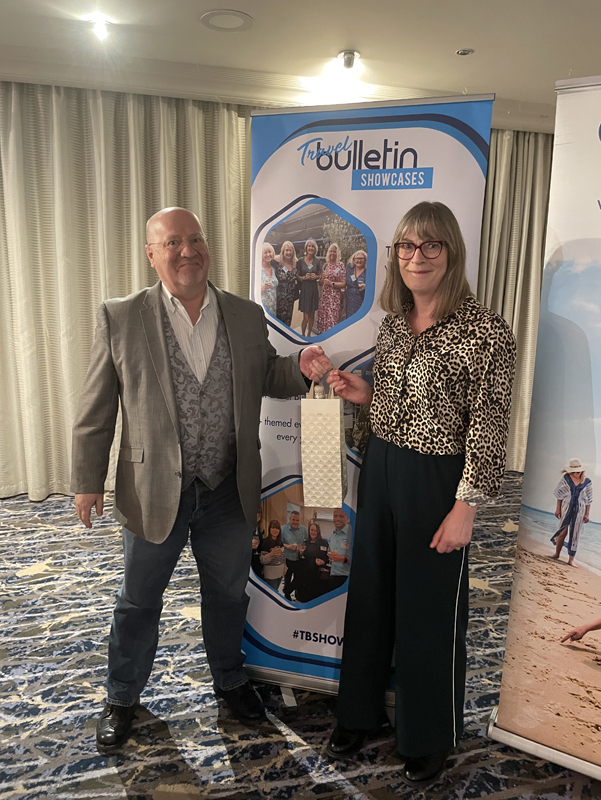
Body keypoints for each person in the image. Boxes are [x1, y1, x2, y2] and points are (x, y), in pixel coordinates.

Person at [71, 207, 333, 749]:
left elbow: (267, 374)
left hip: (227, 488)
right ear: (152, 254)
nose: (186, 250)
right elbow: (97, 406)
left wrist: (300, 367)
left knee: (228, 595)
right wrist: (87, 479)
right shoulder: (121, 316)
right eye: (172, 243)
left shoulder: (244, 314)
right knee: (138, 600)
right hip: (153, 490)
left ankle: (230, 680)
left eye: (194, 239)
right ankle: (121, 694)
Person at [324, 201, 516, 786]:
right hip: (382, 466)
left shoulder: (486, 331)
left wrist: (467, 507)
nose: (417, 257)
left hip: (438, 482)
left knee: (429, 610)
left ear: (451, 251)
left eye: (431, 244)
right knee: (371, 596)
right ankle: (358, 712)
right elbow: (400, 400)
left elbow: (489, 427)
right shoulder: (393, 322)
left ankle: (427, 733)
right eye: (407, 246)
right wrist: (366, 394)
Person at [550, 459, 592, 566]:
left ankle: (571, 560)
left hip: (580, 511)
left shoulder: (587, 482)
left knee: (575, 534)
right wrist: (558, 509)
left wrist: (587, 514)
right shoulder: (566, 478)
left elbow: (589, 500)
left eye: (579, 470)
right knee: (562, 532)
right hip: (565, 508)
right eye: (575, 471)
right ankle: (556, 554)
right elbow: (559, 495)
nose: (577, 472)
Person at [295, 522, 330, 602]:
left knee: (317, 597)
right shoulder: (305, 542)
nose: (313, 532)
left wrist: (323, 562)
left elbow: (328, 558)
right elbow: (300, 558)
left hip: (319, 575)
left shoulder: (324, 543)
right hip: (306, 574)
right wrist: (300, 553)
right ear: (309, 531)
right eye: (312, 530)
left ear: (318, 532)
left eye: (315, 530)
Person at [317, 243, 346, 334]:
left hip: (334, 298)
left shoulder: (340, 265)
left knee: (332, 320)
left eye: (334, 251)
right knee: (323, 320)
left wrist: (331, 283)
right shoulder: (325, 265)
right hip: (324, 298)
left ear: (337, 253)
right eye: (331, 251)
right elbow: (321, 283)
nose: (332, 253)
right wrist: (322, 279)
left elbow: (343, 283)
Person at [280, 510, 308, 601]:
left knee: (299, 579)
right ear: (289, 519)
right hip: (287, 558)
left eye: (297, 520)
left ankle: (287, 591)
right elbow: (279, 543)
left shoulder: (304, 530)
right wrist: (288, 546)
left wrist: (303, 547)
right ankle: (287, 597)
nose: (295, 522)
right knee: (287, 579)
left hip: (299, 559)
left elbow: (307, 542)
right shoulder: (283, 529)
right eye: (293, 520)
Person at [297, 239, 322, 337]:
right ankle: (303, 335)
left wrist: (316, 276)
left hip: (313, 290)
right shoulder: (300, 261)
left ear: (315, 249)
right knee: (306, 317)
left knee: (312, 316)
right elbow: (297, 276)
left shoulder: (317, 261)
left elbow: (320, 274)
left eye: (312, 246)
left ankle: (309, 335)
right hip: (305, 290)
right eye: (309, 246)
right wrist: (304, 277)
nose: (311, 248)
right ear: (306, 248)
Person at [274, 240, 298, 327]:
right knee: (278, 321)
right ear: (283, 251)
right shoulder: (277, 262)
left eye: (290, 250)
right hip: (279, 298)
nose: (288, 252)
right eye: (286, 250)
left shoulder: (296, 264)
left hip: (290, 299)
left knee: (287, 321)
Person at [327, 508, 351, 591]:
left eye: (341, 516)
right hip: (333, 576)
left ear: (347, 518)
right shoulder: (332, 536)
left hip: (347, 578)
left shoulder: (352, 535)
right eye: (335, 516)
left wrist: (343, 559)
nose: (337, 519)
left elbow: (360, 561)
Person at [259, 520, 286, 591]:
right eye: (273, 528)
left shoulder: (280, 542)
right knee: (272, 594)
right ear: (269, 529)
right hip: (270, 575)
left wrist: (285, 567)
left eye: (277, 528)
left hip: (280, 573)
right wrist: (271, 554)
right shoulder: (266, 542)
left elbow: (283, 557)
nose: (275, 530)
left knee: (276, 591)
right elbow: (262, 560)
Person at [345, 250, 367, 318]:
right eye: (357, 258)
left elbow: (372, 285)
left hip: (361, 299)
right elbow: (343, 279)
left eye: (361, 259)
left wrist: (366, 286)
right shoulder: (349, 268)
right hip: (349, 299)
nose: (359, 260)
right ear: (354, 259)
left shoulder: (368, 271)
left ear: (365, 260)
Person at [260, 243, 278, 316]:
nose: (268, 254)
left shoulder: (274, 269)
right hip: (262, 307)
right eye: (265, 252)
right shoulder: (258, 270)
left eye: (269, 252)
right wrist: (262, 288)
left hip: (273, 306)